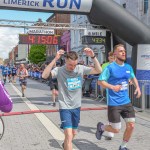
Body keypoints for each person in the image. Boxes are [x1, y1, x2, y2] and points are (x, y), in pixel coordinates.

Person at [42, 48, 102, 150]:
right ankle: (67, 144)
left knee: (73, 133)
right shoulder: (59, 70)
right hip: (65, 107)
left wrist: (92, 56)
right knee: (69, 135)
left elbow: (99, 70)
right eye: (70, 65)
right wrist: (55, 59)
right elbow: (44, 75)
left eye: (75, 65)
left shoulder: (80, 68)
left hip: (77, 106)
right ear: (65, 61)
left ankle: (65, 144)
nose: (73, 67)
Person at [95, 44, 141, 150]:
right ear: (115, 53)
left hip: (126, 101)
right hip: (114, 102)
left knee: (131, 126)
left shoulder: (128, 67)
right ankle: (101, 127)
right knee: (116, 130)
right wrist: (112, 87)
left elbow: (133, 78)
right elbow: (100, 81)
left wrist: (137, 87)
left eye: (124, 51)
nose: (123, 52)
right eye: (120, 51)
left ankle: (123, 146)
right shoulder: (110, 67)